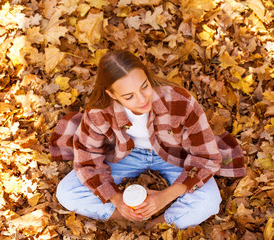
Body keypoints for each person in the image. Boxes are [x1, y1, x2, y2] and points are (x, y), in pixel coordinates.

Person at [50, 50, 245, 229]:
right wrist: (116, 200)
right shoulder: (99, 112)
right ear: (112, 94)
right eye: (129, 96)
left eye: (145, 86)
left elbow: (206, 156)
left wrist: (165, 197)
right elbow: (87, 161)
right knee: (67, 192)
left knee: (210, 202)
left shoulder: (180, 101)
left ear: (147, 75)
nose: (142, 99)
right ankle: (121, 217)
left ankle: (157, 225)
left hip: (174, 156)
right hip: (125, 156)